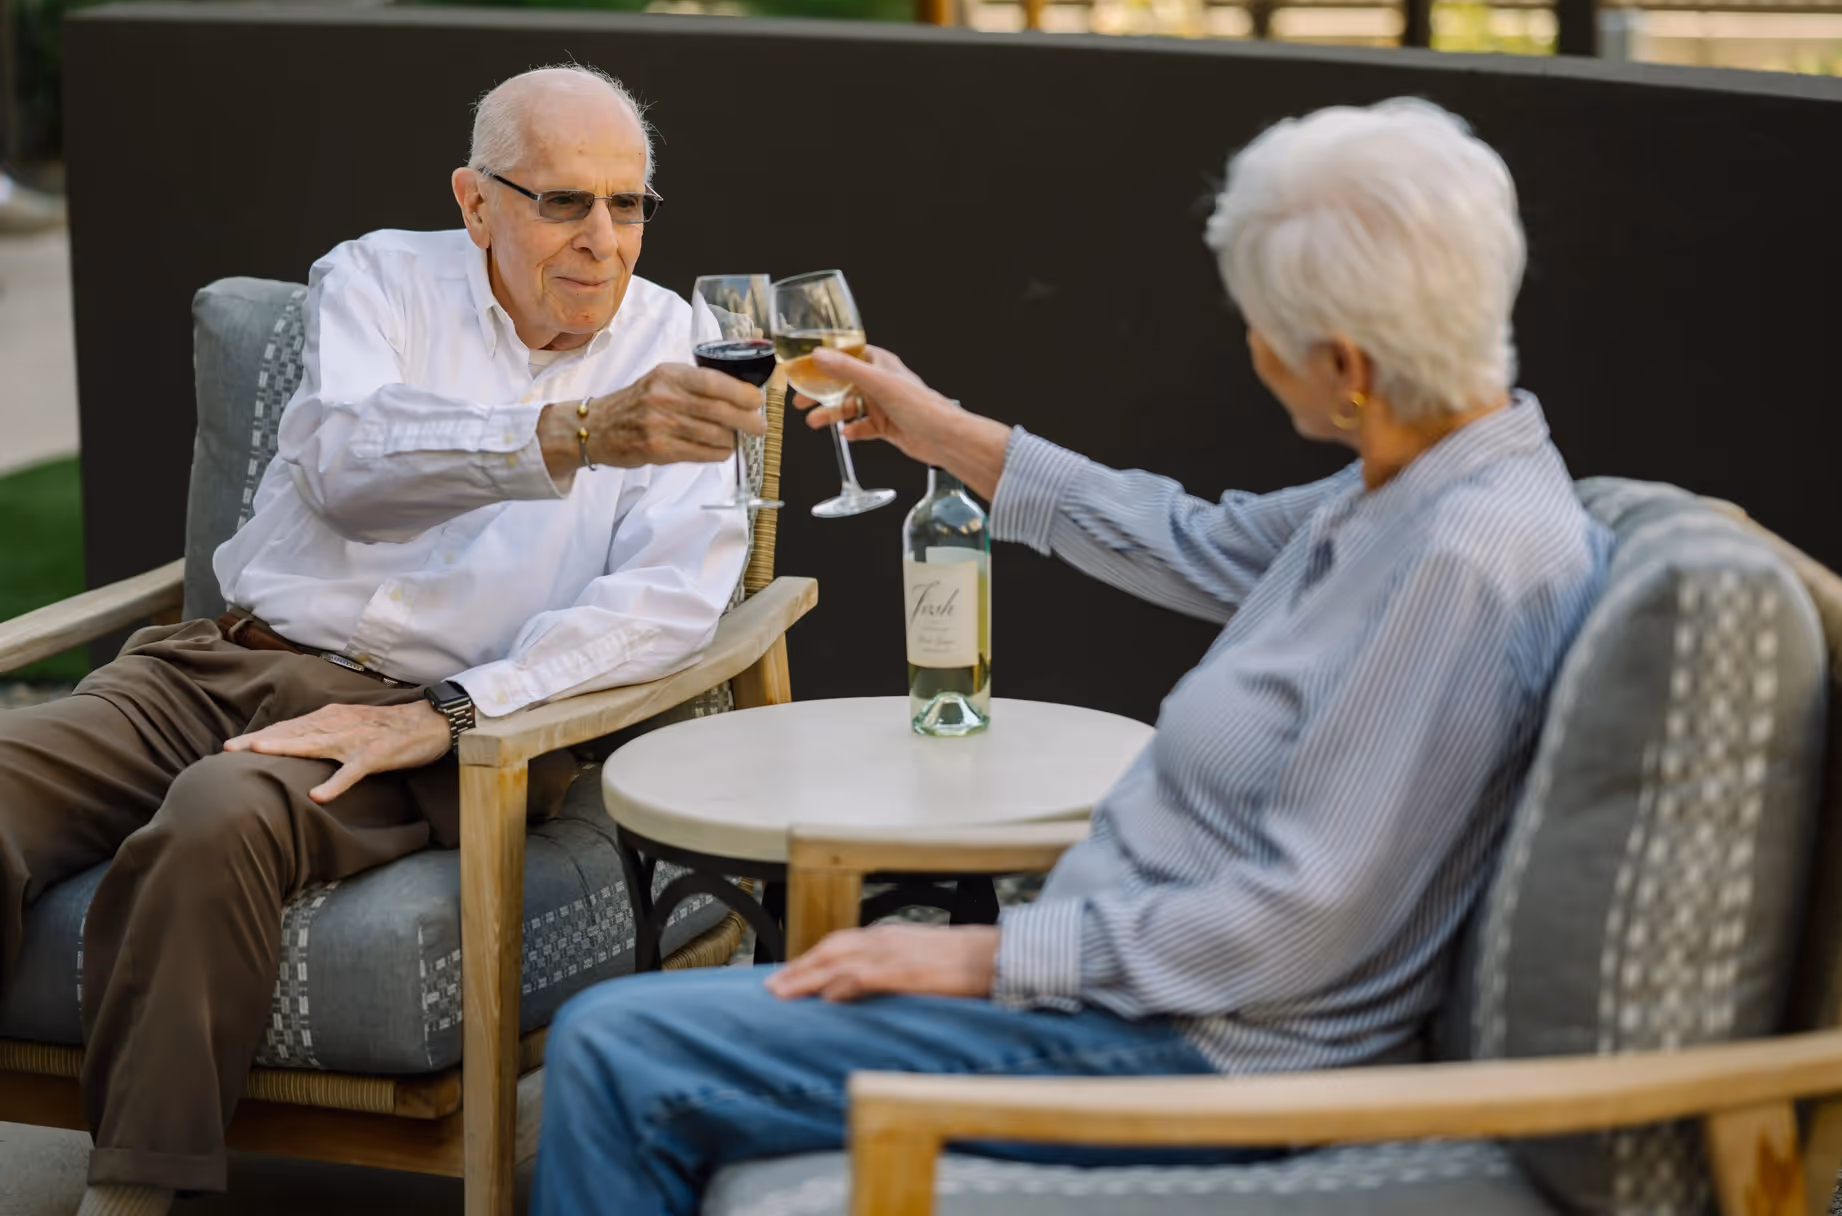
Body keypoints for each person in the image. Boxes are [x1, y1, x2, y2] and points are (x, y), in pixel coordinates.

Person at [529, 97, 1615, 1216]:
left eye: (1254, 321)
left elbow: (1304, 915)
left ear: (1343, 362)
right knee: (641, 1035)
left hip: (1200, 1054)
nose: (1245, 344)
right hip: (1141, 997)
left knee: (614, 1044)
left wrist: (982, 957)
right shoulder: (1422, 483)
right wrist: (932, 422)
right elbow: (1187, 537)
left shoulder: (1461, 558)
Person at [0, 63, 766, 1216]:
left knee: (216, 818)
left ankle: (130, 1195)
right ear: (476, 203)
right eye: (564, 201)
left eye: (629, 204)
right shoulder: (377, 278)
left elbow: (665, 596)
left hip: (425, 717)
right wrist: (568, 435)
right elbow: (345, 466)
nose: (604, 239)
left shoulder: (686, 351)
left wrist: (451, 710)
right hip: (216, 658)